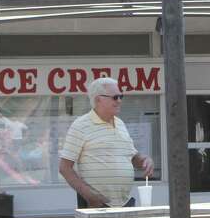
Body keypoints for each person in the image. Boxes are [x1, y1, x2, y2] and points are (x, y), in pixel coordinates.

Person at [59, 77, 154, 208]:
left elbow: (132, 157)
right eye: (115, 97)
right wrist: (89, 196)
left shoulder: (120, 124)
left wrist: (144, 160)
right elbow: (65, 168)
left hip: (124, 204)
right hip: (97, 204)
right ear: (98, 99)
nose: (119, 101)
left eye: (121, 96)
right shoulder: (81, 125)